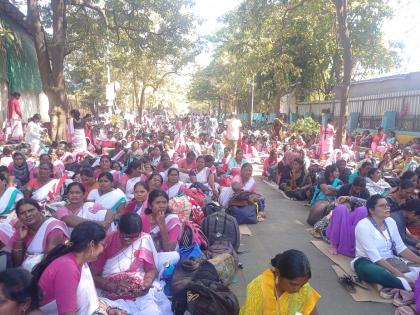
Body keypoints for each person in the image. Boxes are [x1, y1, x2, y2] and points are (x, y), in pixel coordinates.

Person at [91, 213, 172, 314]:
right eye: (125, 236)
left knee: (152, 310)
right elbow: (93, 276)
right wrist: (112, 286)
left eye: (133, 237)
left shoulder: (144, 239)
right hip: (110, 289)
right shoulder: (106, 242)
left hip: (138, 288)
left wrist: (146, 283)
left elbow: (151, 269)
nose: (128, 240)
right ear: (118, 229)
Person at [33, 221, 106, 314]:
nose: (103, 250)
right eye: (103, 245)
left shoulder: (78, 262)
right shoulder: (67, 268)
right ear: (92, 245)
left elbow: (89, 298)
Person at [353, 195, 420, 291]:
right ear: (372, 210)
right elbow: (376, 258)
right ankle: (405, 284)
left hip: (390, 260)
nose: (387, 207)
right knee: (379, 273)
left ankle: (393, 283)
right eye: (382, 206)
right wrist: (402, 276)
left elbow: (401, 248)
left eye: (387, 205)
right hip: (367, 261)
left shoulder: (390, 221)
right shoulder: (363, 226)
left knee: (417, 270)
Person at [240, 249, 320, 315]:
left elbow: (311, 309)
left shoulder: (302, 286)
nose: (298, 290)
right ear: (278, 272)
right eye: (293, 284)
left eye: (302, 285)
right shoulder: (258, 288)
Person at [11, 198, 69, 271]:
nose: (27, 215)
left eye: (31, 210)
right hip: (27, 272)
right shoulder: (22, 229)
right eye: (22, 213)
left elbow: (48, 261)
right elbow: (16, 263)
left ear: (40, 210)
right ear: (18, 217)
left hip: (53, 270)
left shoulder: (54, 227)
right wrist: (20, 240)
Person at [140, 190, 180, 271]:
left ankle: (154, 270)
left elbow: (169, 249)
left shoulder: (173, 220)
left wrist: (162, 224)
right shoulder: (142, 219)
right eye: (158, 203)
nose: (162, 206)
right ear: (150, 206)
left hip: (162, 255)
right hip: (145, 254)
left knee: (174, 257)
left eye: (164, 202)